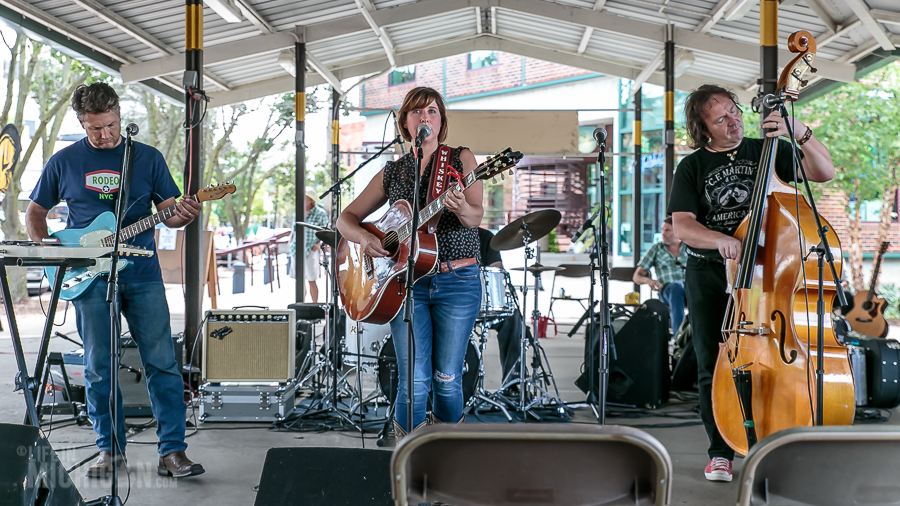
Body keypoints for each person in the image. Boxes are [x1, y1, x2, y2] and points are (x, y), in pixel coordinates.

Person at [25, 83, 205, 479]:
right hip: (89, 279)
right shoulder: (64, 161)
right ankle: (110, 450)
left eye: (110, 125)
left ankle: (172, 451)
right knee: (98, 367)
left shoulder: (149, 158)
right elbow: (36, 210)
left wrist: (183, 214)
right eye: (94, 129)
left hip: (142, 275)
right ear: (81, 122)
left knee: (162, 362)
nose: (105, 135)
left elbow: (169, 213)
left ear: (120, 115)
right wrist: (49, 247)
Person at [667, 84, 835, 482]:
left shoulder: (767, 150)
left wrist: (798, 131)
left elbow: (823, 172)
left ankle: (774, 439)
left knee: (773, 355)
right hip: (710, 273)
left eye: (734, 111)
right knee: (714, 359)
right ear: (703, 128)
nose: (733, 121)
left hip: (767, 271)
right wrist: (723, 239)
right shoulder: (691, 167)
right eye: (720, 118)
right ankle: (720, 450)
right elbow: (684, 225)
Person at [337, 86, 483, 438]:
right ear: (405, 121)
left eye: (432, 111)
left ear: (441, 120)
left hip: (457, 280)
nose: (425, 117)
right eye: (417, 111)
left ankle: (449, 452)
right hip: (406, 285)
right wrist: (366, 238)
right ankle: (411, 466)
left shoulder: (461, 159)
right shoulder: (393, 171)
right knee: (414, 380)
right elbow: (346, 218)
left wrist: (461, 206)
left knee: (447, 379)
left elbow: (476, 216)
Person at [632, 216, 688, 333]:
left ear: (678, 232)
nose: (663, 233)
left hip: (689, 288)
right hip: (668, 290)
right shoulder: (656, 249)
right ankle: (678, 338)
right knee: (676, 287)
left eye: (667, 230)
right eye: (662, 230)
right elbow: (636, 277)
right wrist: (649, 281)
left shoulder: (689, 248)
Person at [291, 192, 329, 302]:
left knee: (311, 279)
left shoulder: (320, 213)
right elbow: (293, 230)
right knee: (299, 280)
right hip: (296, 250)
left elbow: (325, 231)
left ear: (310, 200)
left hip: (311, 250)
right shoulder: (298, 212)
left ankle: (314, 307)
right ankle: (301, 305)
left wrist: (318, 245)